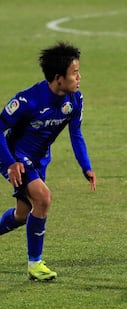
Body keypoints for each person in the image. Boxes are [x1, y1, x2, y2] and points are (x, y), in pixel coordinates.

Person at [0, 42, 97, 281]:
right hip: (14, 157)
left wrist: (86, 166)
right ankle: (35, 265)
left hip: (39, 160)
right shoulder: (28, 101)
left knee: (23, 215)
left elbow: (76, 134)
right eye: (74, 73)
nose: (79, 77)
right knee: (43, 198)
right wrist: (10, 163)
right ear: (58, 78)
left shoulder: (74, 100)